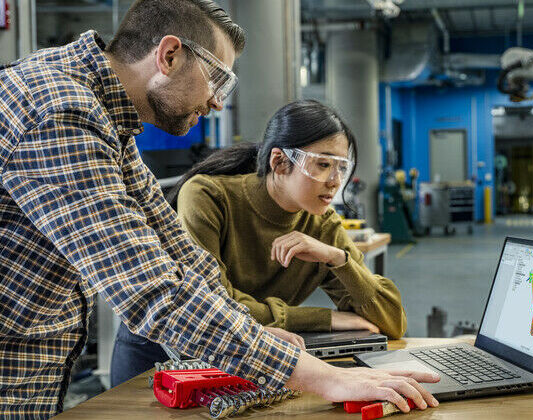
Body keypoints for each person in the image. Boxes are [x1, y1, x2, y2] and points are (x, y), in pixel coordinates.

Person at [0, 1, 438, 418]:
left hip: (31, 370)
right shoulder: (59, 110)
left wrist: (257, 336)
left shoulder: (104, 114)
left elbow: (179, 252)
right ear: (169, 55)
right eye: (217, 79)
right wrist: (326, 379)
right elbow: (156, 292)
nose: (218, 102)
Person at [111, 100, 408, 386]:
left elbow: (393, 322)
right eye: (322, 164)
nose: (335, 180)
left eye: (341, 166)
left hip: (247, 355)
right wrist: (325, 318)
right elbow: (211, 307)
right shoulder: (207, 196)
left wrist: (337, 259)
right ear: (279, 162)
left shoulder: (322, 224)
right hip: (166, 353)